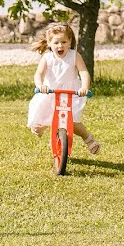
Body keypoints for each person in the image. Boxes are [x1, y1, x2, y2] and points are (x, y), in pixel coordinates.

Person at [26, 23, 101, 154]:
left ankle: (88, 139)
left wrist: (84, 87)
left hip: (70, 93)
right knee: (39, 122)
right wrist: (40, 86)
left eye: (64, 42)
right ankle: (44, 129)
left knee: (71, 121)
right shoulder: (47, 57)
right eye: (56, 42)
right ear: (49, 43)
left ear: (70, 42)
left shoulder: (74, 55)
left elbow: (83, 72)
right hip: (50, 92)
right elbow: (39, 74)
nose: (60, 45)